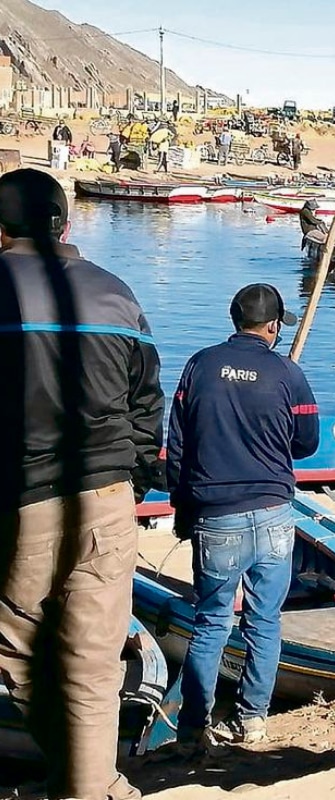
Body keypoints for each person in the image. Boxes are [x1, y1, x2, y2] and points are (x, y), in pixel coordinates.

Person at [0, 169, 164, 800]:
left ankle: (83, 780)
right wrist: (133, 483)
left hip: (27, 504)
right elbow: (145, 406)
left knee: (19, 650)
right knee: (94, 664)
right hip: (109, 501)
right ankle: (94, 785)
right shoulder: (116, 294)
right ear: (64, 224)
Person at [167, 284, 319, 750]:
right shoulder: (287, 373)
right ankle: (253, 721)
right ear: (273, 326)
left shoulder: (200, 364)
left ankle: (194, 727)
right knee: (264, 621)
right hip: (273, 509)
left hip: (216, 515)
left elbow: (178, 446)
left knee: (211, 621)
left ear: (234, 319)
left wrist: (181, 507)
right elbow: (307, 442)